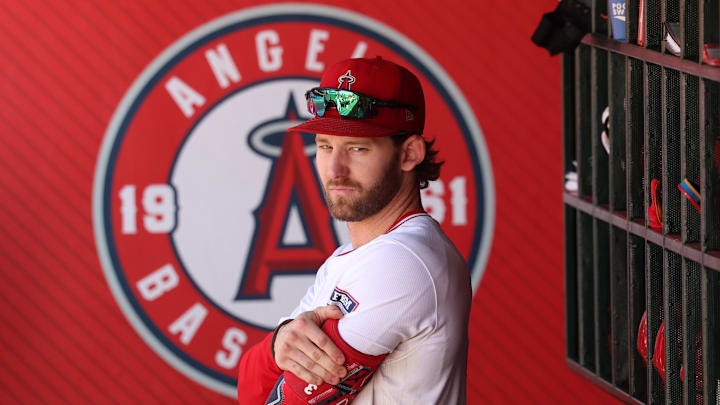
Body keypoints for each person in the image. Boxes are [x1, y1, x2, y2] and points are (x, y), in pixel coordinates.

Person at [236, 56, 471, 404]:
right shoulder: (348, 258)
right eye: (324, 146)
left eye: (358, 148)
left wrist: (277, 352)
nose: (335, 169)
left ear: (409, 153)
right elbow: (249, 389)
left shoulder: (402, 261)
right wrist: (277, 344)